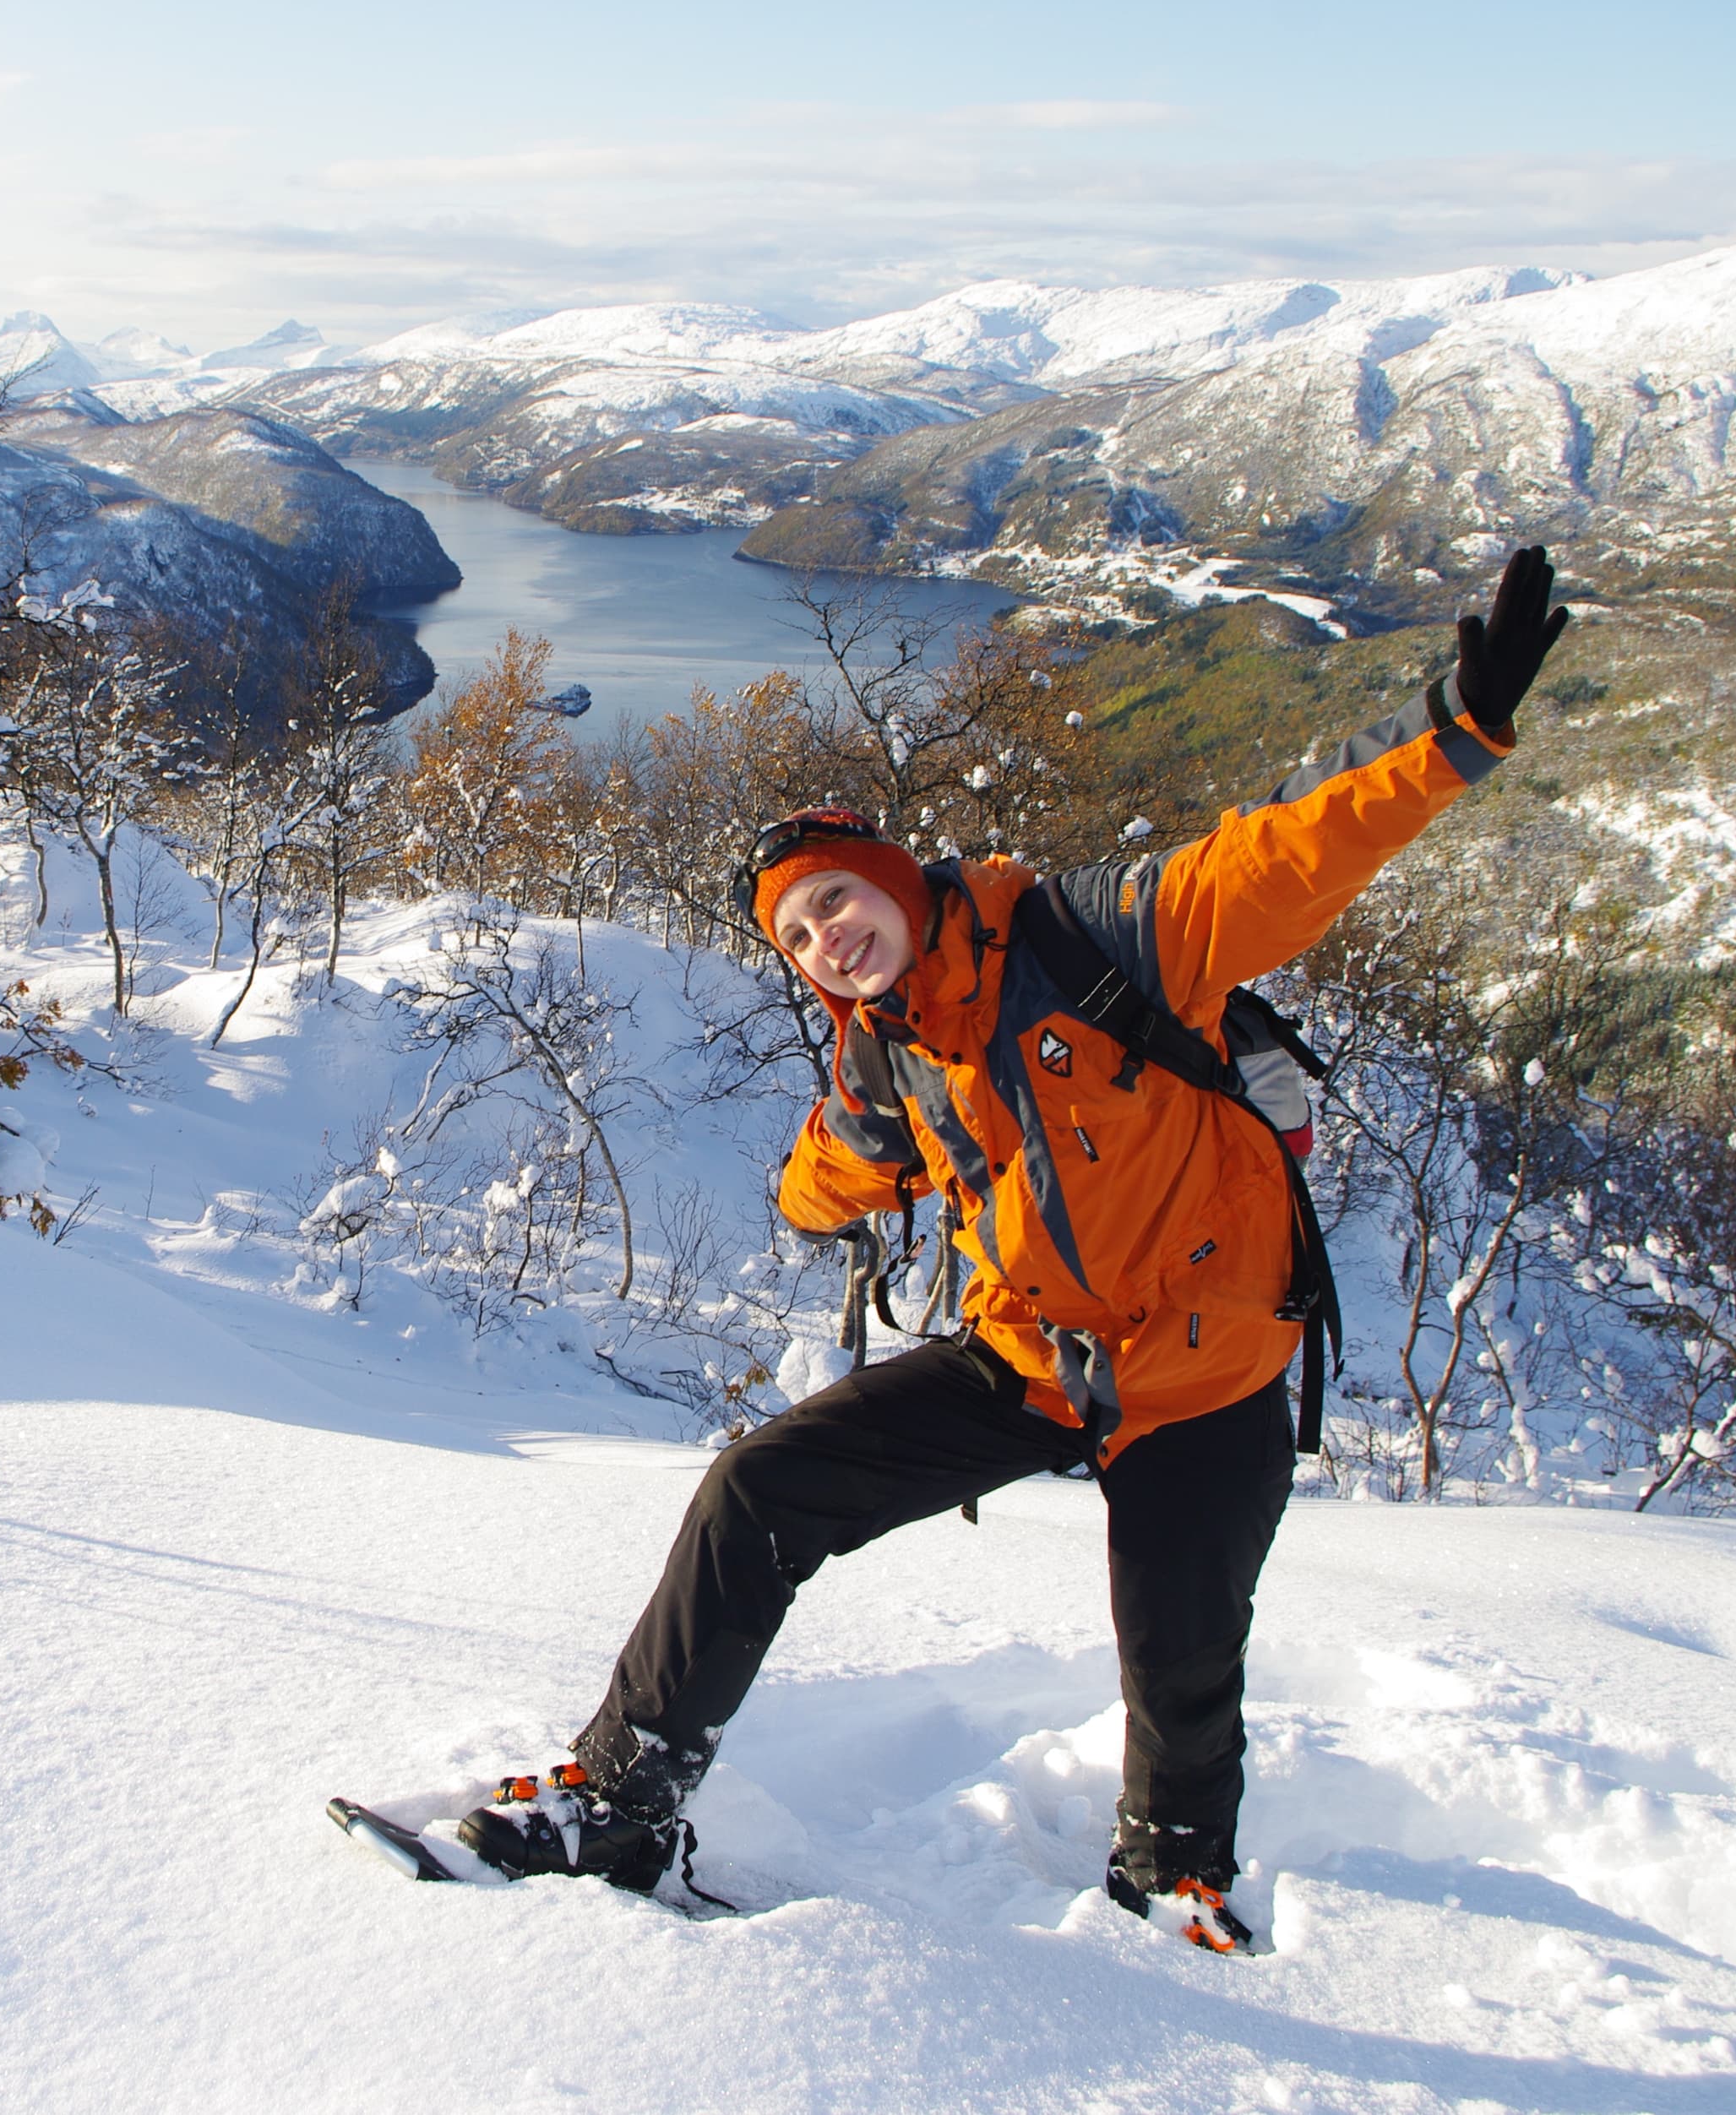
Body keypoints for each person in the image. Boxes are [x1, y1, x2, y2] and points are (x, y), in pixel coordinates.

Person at [455, 547, 1571, 1947]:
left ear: (896, 882)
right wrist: (815, 1191)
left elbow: (1286, 848)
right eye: (798, 936)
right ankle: (620, 1799)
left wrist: (1454, 732)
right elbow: (834, 1176)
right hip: (1031, 1358)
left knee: (1179, 1659)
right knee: (761, 1492)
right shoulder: (887, 1057)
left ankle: (1175, 1889)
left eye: (837, 902)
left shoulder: (1098, 940)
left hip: (1204, 1367)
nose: (826, 939)